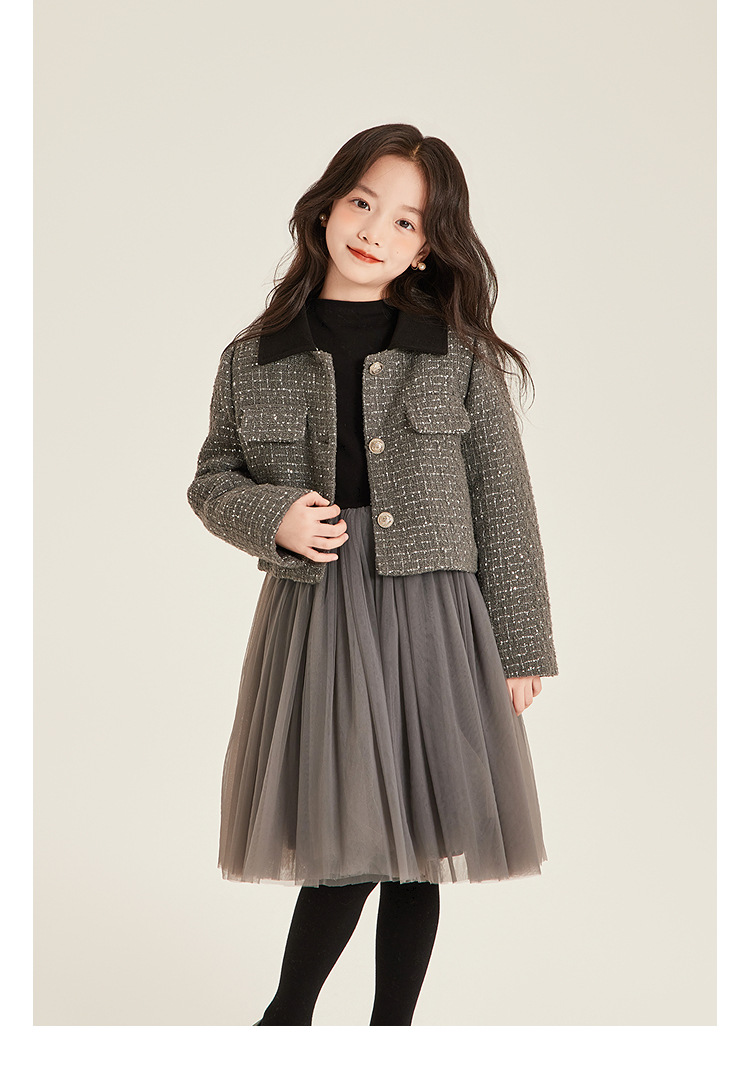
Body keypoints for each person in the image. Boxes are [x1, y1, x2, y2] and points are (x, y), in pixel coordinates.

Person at [186, 122, 559, 1026]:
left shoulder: (458, 354)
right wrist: (272, 516)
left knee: (419, 842)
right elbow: (211, 479)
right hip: (320, 613)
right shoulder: (252, 356)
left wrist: (522, 645)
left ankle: (387, 1033)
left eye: (406, 222)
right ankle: (287, 1019)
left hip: (435, 614)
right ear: (326, 206)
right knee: (350, 834)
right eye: (363, 203)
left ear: (427, 247)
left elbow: (504, 501)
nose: (374, 231)